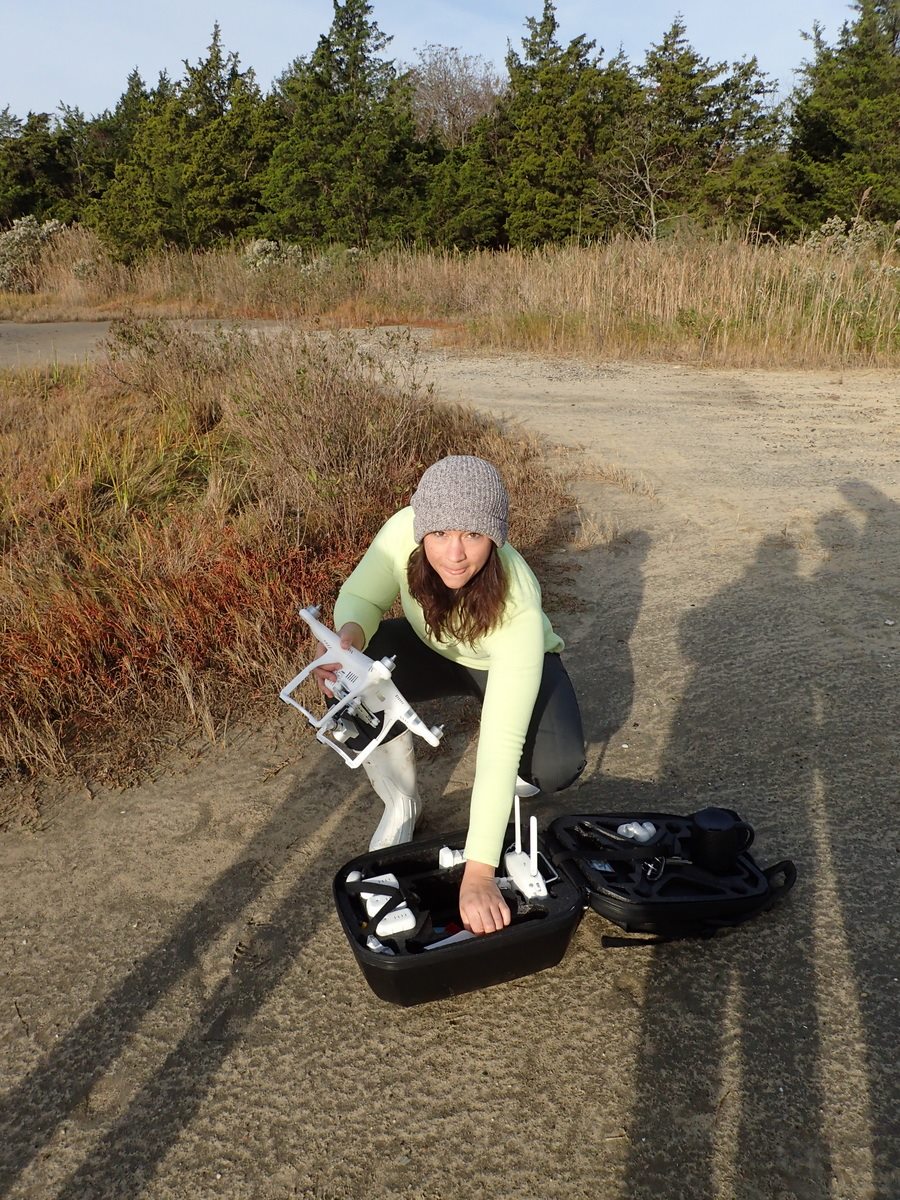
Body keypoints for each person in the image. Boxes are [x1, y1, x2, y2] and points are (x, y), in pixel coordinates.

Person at [313, 455, 585, 936]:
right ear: (422, 531)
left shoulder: (518, 603)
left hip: (503, 664)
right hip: (432, 646)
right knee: (351, 680)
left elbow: (496, 746)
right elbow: (364, 596)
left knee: (556, 765)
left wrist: (479, 872)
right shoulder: (402, 531)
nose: (454, 554)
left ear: (495, 538)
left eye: (472, 535)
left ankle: (508, 793)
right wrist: (348, 638)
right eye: (440, 534)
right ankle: (402, 801)